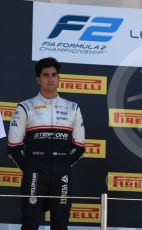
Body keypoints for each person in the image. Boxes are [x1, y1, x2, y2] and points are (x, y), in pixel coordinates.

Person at [7, 57, 85, 230]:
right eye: (46, 75)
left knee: (60, 224)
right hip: (35, 172)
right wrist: (30, 167)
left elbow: (79, 147)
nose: (50, 78)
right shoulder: (25, 107)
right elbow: (13, 147)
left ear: (59, 78)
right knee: (30, 223)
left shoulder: (72, 107)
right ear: (38, 79)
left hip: (62, 173)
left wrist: (62, 163)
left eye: (54, 74)